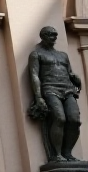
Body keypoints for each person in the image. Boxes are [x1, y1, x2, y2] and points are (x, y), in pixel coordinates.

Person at [29, 25, 83, 162]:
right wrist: (38, 97)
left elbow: (69, 72)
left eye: (55, 35)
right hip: (50, 88)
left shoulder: (63, 55)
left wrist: (77, 80)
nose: (54, 38)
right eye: (51, 35)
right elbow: (34, 76)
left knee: (74, 120)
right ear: (43, 36)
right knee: (60, 118)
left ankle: (68, 152)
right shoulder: (37, 54)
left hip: (67, 88)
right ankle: (57, 154)